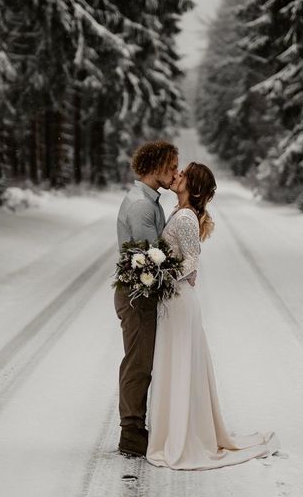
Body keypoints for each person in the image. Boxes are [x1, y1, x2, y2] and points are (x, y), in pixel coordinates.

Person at [146, 161, 280, 470]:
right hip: (176, 299)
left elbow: (192, 259)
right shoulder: (181, 214)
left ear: (192, 186)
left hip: (179, 299)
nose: (177, 174)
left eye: (184, 174)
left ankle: (182, 437)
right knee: (174, 363)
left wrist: (163, 275)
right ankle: (175, 430)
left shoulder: (186, 218)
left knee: (178, 363)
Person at [115, 140, 179, 457]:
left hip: (142, 291)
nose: (175, 173)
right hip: (137, 294)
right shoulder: (141, 206)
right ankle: (131, 433)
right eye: (171, 167)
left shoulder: (149, 201)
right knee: (138, 363)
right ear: (155, 167)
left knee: (143, 361)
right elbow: (151, 258)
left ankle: (136, 427)